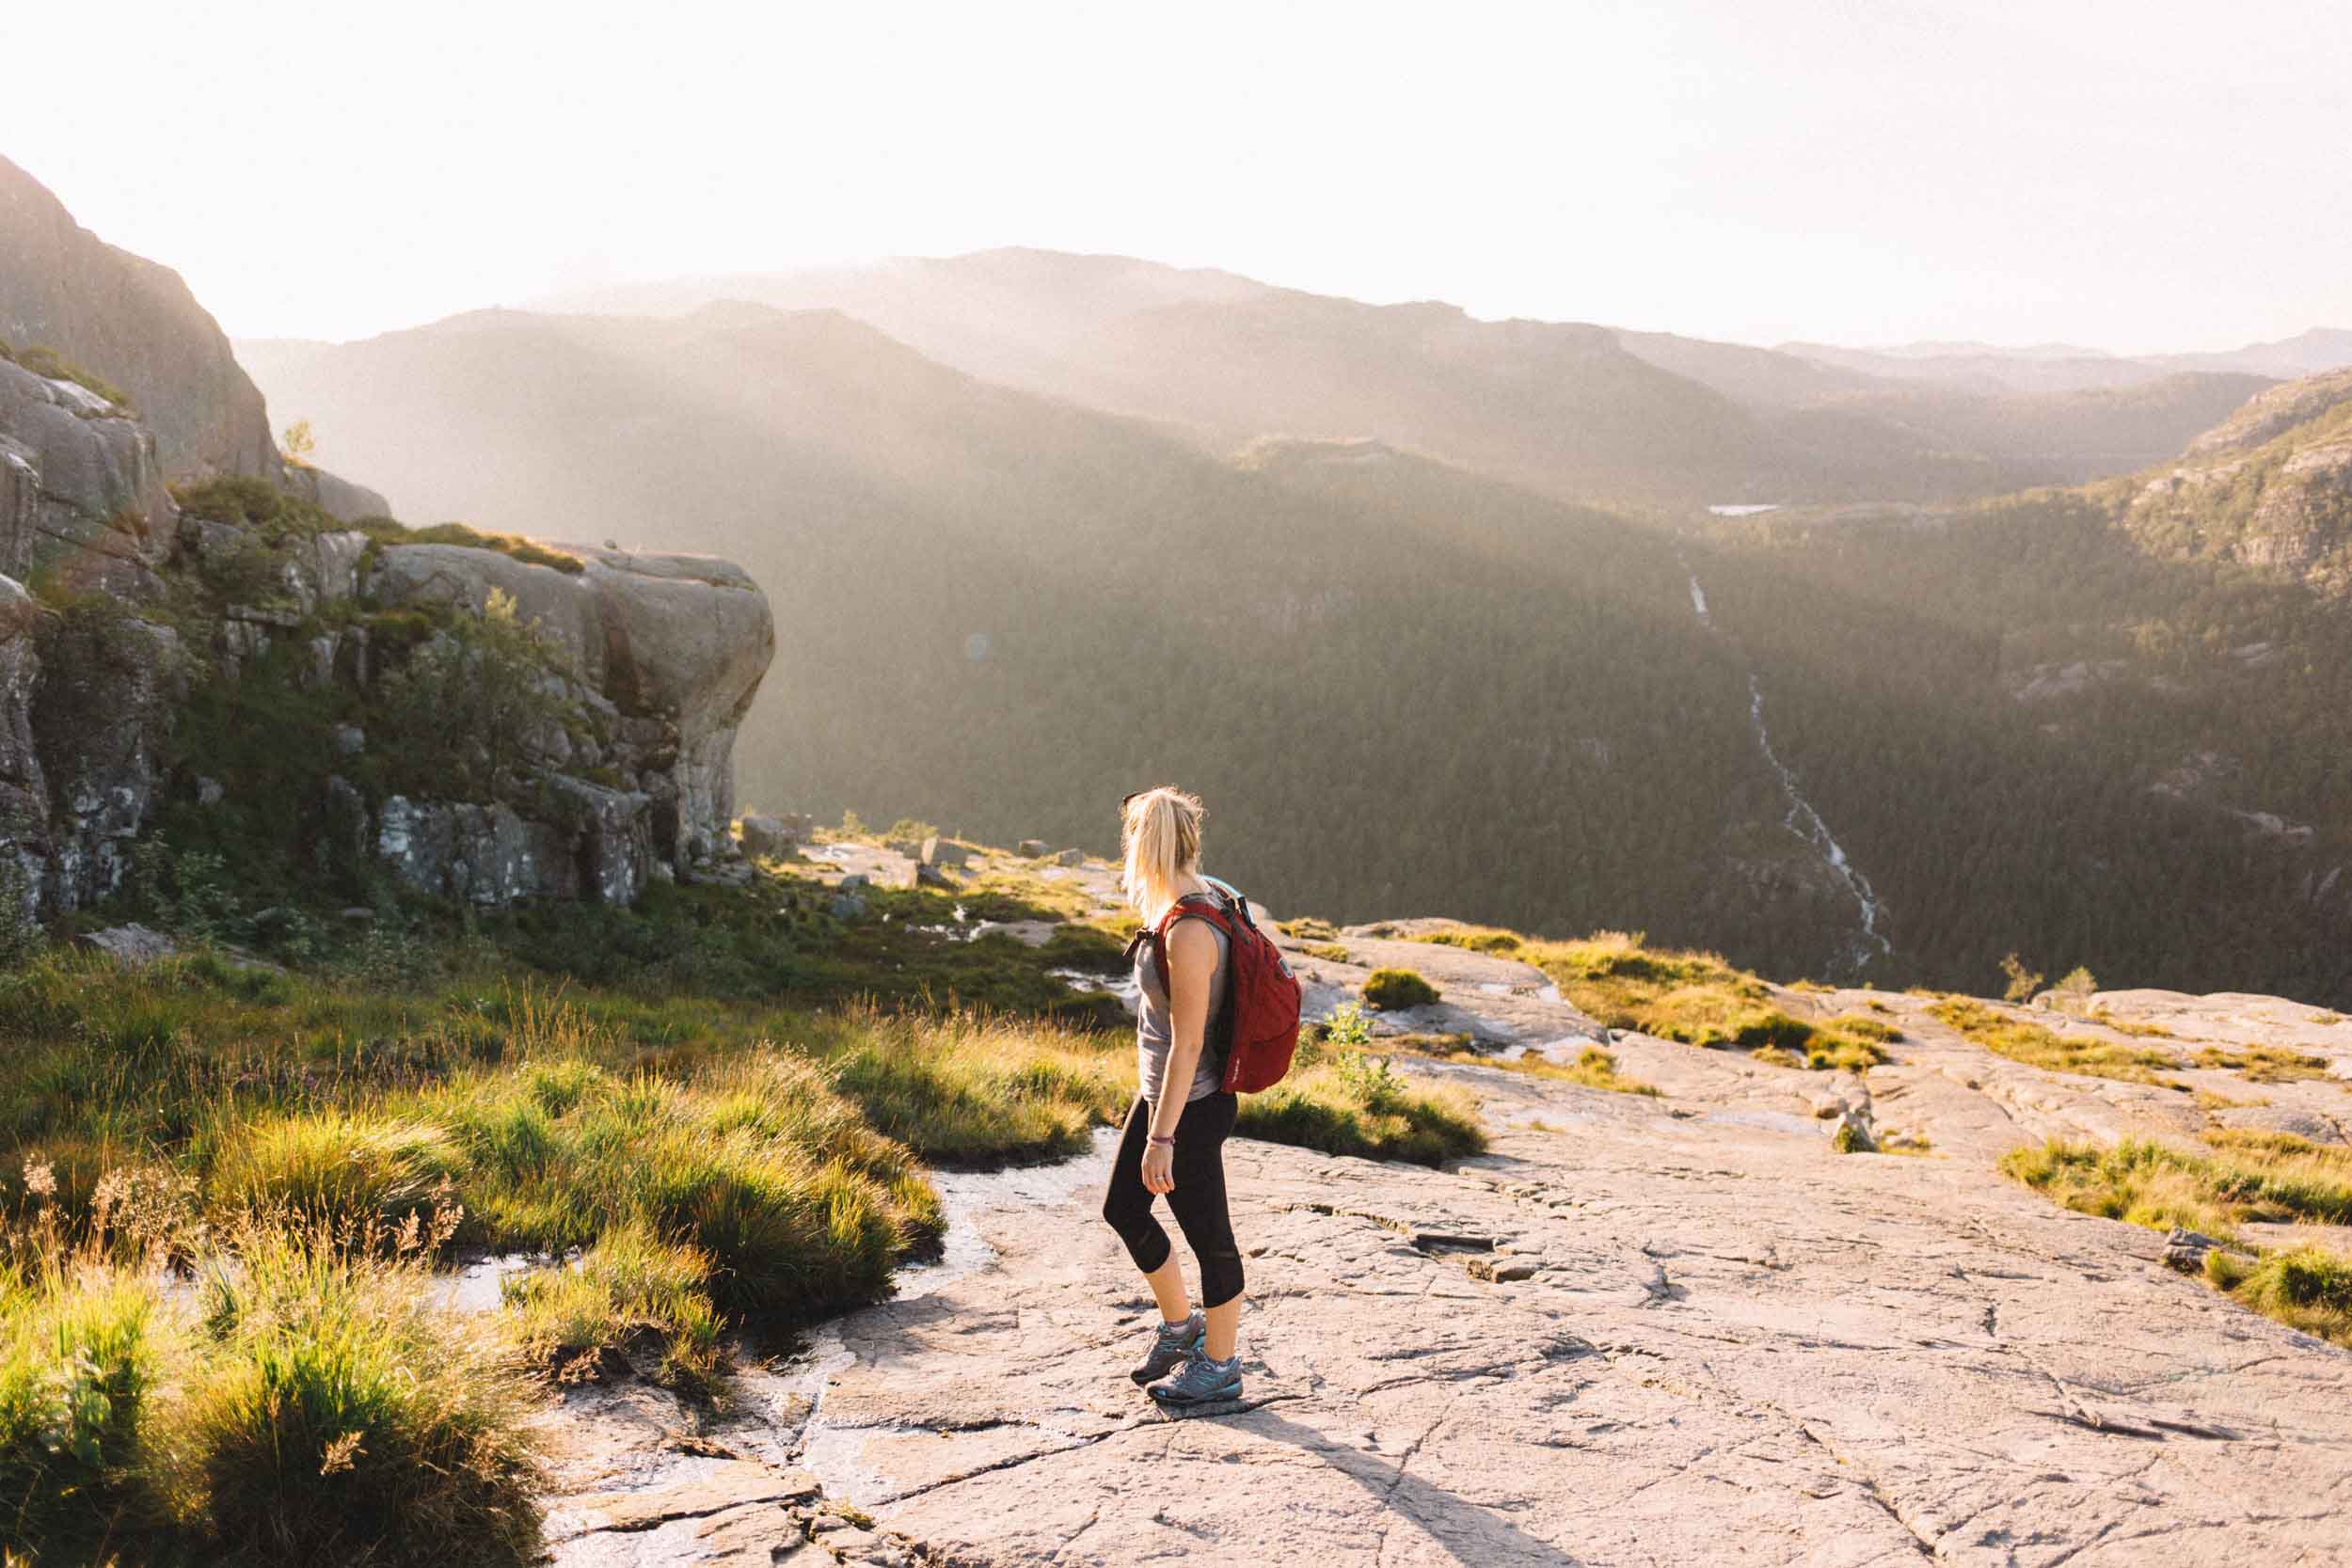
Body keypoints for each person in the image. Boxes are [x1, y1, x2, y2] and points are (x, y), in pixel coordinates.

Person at [1099, 785, 1248, 1406]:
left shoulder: (1189, 927)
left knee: (1210, 1236)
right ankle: (1181, 1325)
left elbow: (1188, 1043)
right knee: (1124, 1209)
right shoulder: (1204, 893)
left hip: (1189, 1105)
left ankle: (1221, 1365)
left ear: (1150, 845)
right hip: (1161, 1094)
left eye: (1134, 837)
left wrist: (1162, 1136)